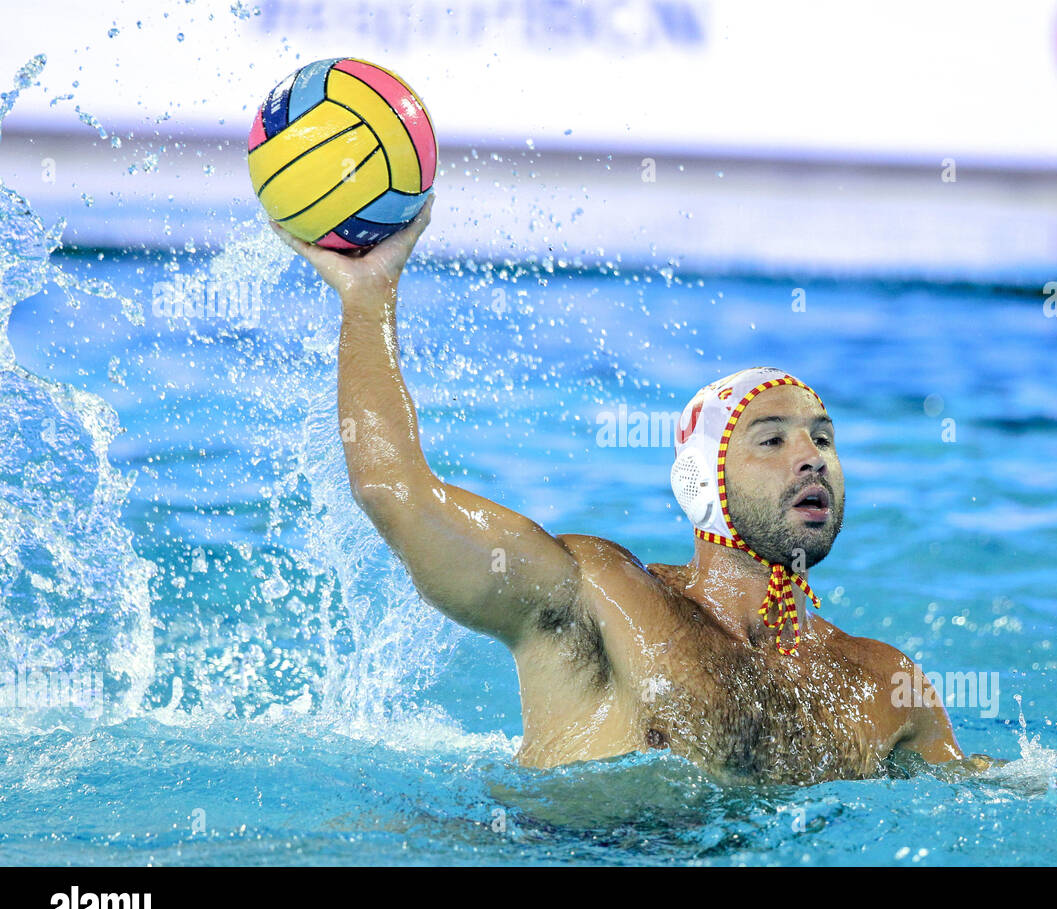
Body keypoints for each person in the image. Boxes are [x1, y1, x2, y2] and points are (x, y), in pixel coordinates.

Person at [273, 198, 999, 785]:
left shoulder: (882, 682)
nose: (810, 459)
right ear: (702, 480)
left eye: (824, 439)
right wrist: (369, 295)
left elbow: (988, 794)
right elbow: (392, 490)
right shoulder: (600, 593)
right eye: (772, 440)